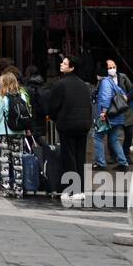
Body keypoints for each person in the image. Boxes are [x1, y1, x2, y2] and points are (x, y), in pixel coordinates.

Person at [47, 55, 92, 196]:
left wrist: (56, 118)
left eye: (65, 63)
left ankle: (73, 189)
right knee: (80, 157)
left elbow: (53, 107)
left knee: (69, 157)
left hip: (67, 124)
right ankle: (81, 189)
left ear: (71, 67)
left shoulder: (60, 84)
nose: (61, 64)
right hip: (83, 125)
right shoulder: (84, 85)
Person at [93, 59, 130, 171]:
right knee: (114, 139)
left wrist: (103, 112)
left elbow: (105, 97)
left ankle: (101, 163)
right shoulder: (111, 81)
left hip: (107, 116)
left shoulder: (104, 82)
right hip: (117, 116)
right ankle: (123, 163)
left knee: (97, 137)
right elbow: (124, 95)